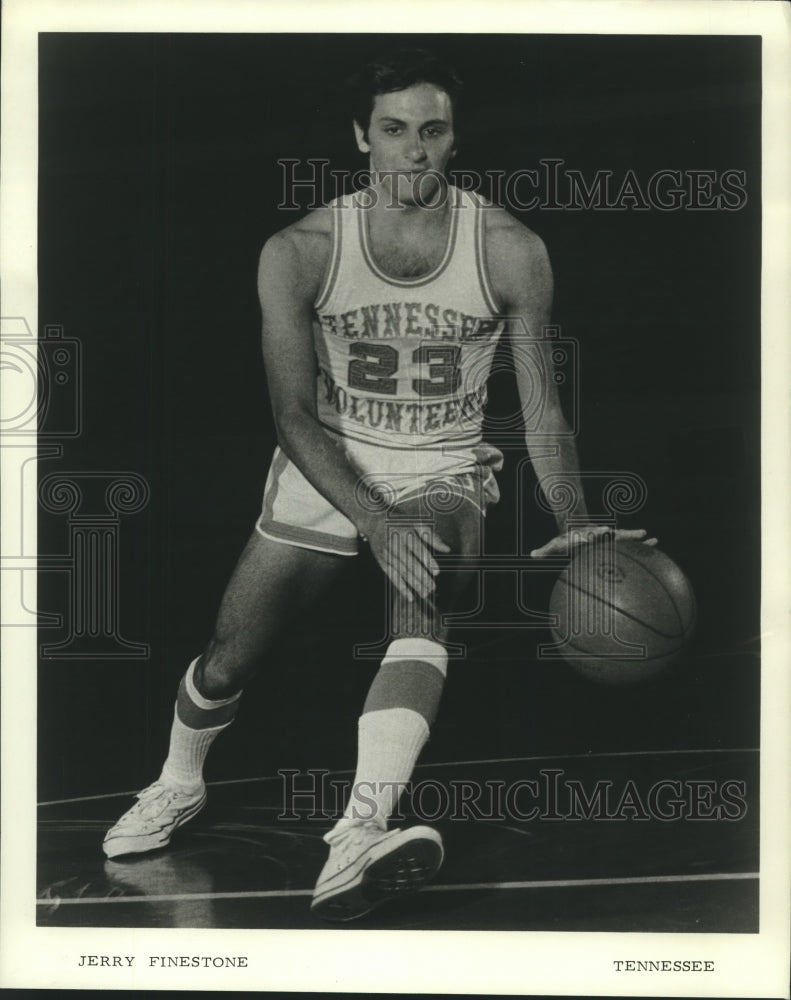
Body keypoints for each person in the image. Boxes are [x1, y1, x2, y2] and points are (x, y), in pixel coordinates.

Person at [102, 47, 654, 921]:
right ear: (361, 136)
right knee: (228, 654)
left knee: (422, 589)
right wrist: (372, 517)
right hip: (328, 462)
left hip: (442, 467)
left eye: (430, 131)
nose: (412, 151)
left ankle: (358, 833)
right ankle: (178, 782)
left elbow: (543, 410)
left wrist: (576, 517)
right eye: (393, 130)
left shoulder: (510, 250)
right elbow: (291, 414)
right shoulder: (298, 250)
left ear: (453, 140)